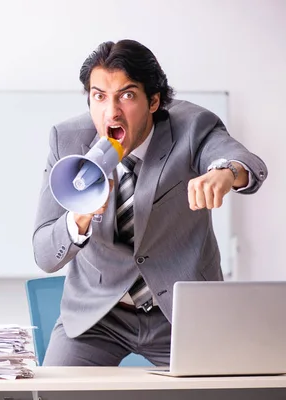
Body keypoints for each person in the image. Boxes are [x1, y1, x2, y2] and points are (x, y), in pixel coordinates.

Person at [32, 39, 268, 366]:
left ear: (153, 100)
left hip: (180, 315)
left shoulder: (192, 126)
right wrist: (78, 219)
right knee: (52, 392)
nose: (111, 112)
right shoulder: (67, 139)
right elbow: (45, 254)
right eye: (99, 96)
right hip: (98, 318)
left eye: (126, 95)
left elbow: (244, 162)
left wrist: (225, 173)